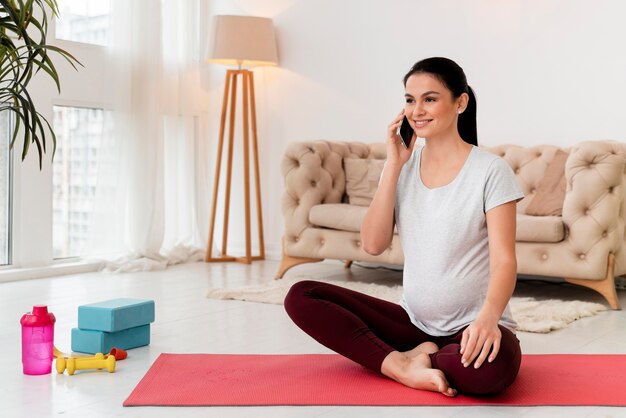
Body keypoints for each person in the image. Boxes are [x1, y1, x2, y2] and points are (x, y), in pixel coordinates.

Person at [284, 57, 524, 397]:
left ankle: (408, 359)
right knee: (301, 296)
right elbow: (372, 245)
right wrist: (394, 165)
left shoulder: (490, 171)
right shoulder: (401, 169)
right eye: (410, 100)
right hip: (412, 325)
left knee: (486, 375)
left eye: (430, 98)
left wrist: (488, 318)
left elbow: (504, 260)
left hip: (474, 327)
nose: (417, 110)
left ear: (460, 102)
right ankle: (400, 365)